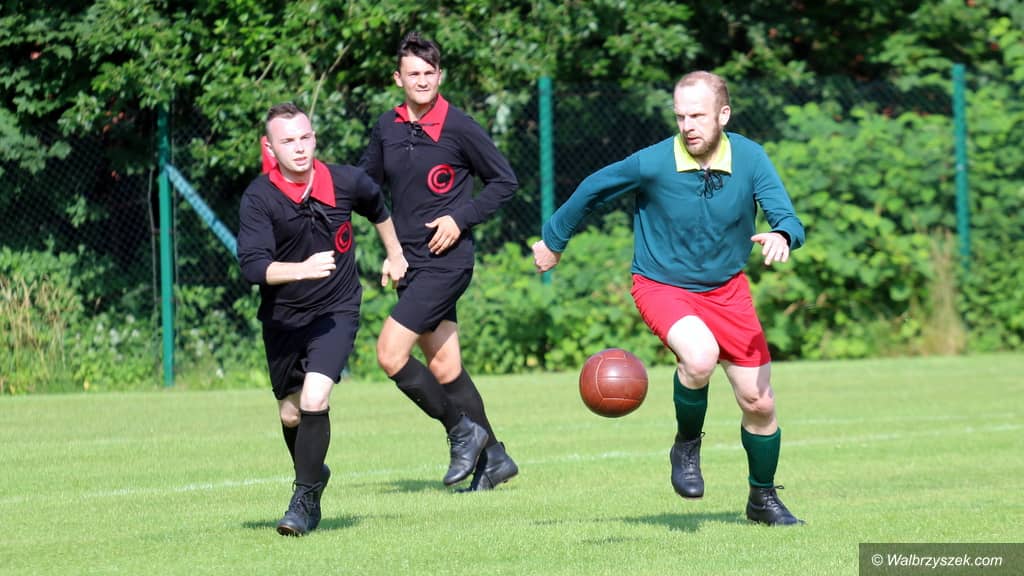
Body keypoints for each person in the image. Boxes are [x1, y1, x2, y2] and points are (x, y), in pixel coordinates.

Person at [532, 71, 806, 526]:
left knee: (760, 403)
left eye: (697, 116)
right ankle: (687, 445)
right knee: (699, 358)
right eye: (680, 116)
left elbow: (788, 218)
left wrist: (782, 235)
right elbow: (593, 188)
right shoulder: (654, 162)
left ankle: (762, 498)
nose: (687, 126)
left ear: (723, 114)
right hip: (662, 286)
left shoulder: (751, 158)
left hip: (728, 292)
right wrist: (554, 241)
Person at [238, 102, 408, 536]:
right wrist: (301, 269)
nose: (299, 148)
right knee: (291, 414)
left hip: (336, 310)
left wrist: (395, 253)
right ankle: (314, 471)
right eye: (287, 141)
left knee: (315, 399)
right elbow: (253, 267)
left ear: (314, 138)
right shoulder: (259, 197)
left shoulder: (345, 181)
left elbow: (377, 206)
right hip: (283, 319)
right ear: (270, 148)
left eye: (305, 137)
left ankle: (304, 499)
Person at [359, 32, 519, 491]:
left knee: (390, 354)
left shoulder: (460, 126)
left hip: (447, 264)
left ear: (440, 76)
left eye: (429, 73)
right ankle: (495, 458)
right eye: (413, 73)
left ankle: (461, 432)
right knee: (445, 368)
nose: (422, 81)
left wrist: (460, 217)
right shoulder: (387, 128)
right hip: (409, 265)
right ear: (398, 79)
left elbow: (504, 182)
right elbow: (366, 190)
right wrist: (390, 250)